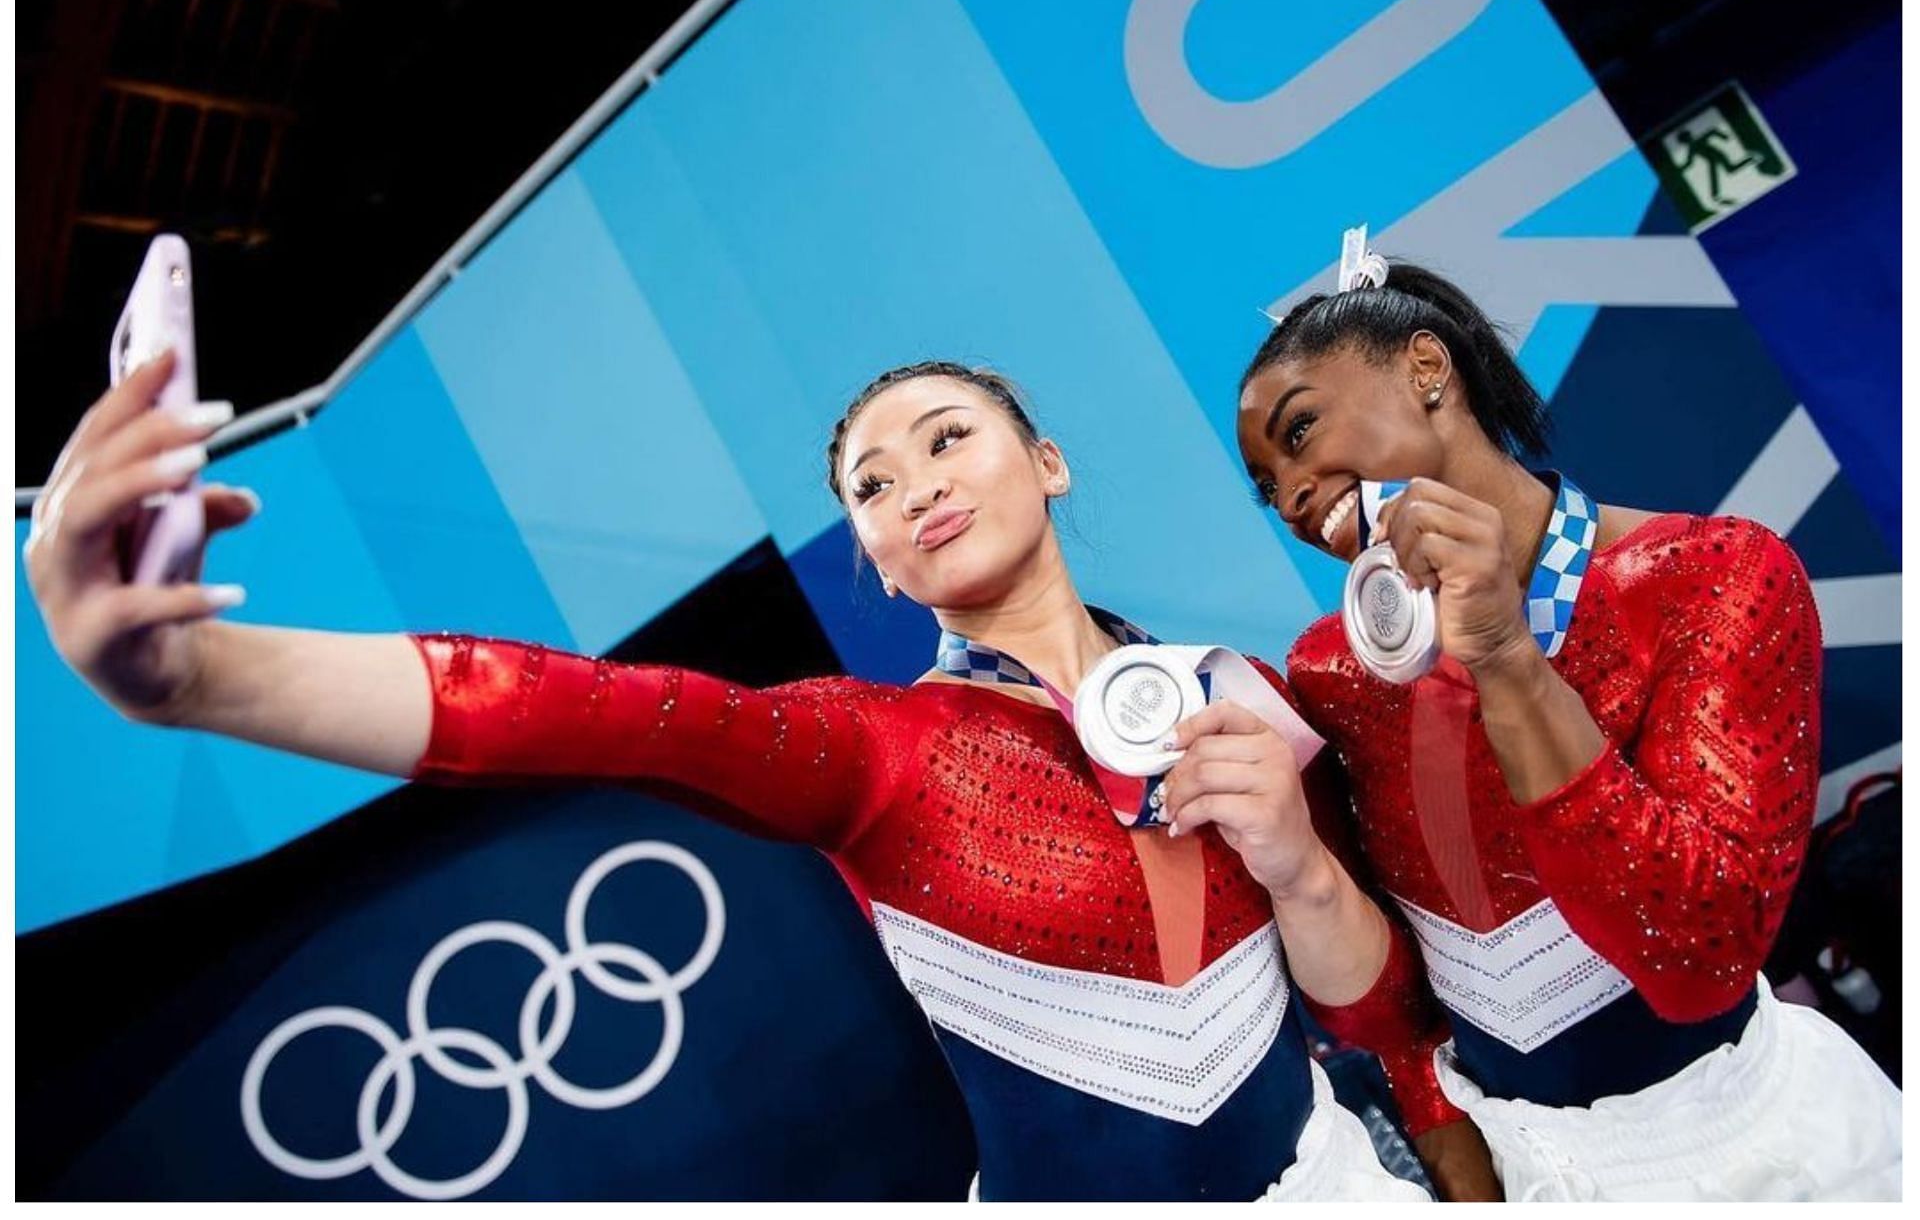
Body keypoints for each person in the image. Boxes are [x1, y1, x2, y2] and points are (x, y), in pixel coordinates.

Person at [25, 352, 1482, 1201]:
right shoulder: (874, 751)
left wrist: (1295, 862)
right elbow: (596, 712)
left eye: (946, 436)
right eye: (871, 484)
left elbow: (1382, 1011)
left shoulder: (1242, 696)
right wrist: (196, 677)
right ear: (879, 561)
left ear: (1047, 463)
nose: (913, 480)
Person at [1234, 248, 1903, 1201]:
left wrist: (1507, 657)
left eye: (1301, 432)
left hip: (1770, 1161)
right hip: (1532, 1174)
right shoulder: (1335, 672)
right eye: (1267, 487)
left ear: (1429, 370)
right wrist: (1467, 1174)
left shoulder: (1712, 578)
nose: (1293, 493)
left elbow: (1696, 960)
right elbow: (1397, 1015)